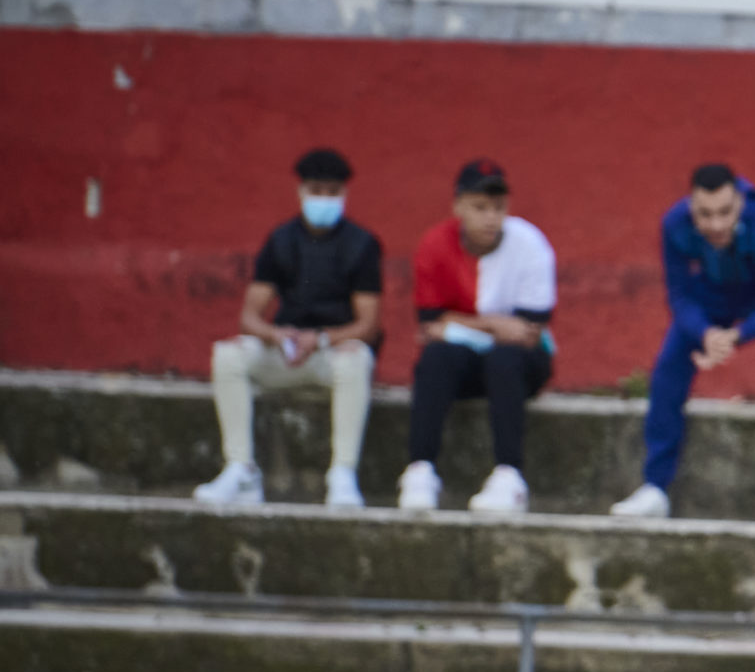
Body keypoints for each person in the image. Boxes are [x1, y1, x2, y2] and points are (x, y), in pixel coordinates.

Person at [611, 164, 755, 526]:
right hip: (712, 295)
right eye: (705, 214)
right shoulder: (674, 225)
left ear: (740, 203)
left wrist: (737, 335)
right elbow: (679, 295)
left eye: (725, 213)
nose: (715, 224)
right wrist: (704, 333)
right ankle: (654, 488)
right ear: (691, 205)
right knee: (667, 371)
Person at [193, 147, 383, 508]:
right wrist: (275, 335)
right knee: (228, 355)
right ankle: (241, 469)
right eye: (316, 190)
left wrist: (324, 338)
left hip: (331, 353)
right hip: (285, 350)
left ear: (344, 194)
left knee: (357, 359)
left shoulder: (361, 246)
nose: (323, 199)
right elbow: (249, 317)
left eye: (332, 191)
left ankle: (342, 473)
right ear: (300, 192)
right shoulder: (281, 241)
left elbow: (369, 324)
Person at [399, 159, 557, 515]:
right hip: (465, 360)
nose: (490, 217)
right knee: (436, 358)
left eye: (498, 208)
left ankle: (509, 477)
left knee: (504, 359)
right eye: (479, 207)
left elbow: (529, 334)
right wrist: (494, 325)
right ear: (458, 207)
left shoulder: (531, 245)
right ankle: (420, 470)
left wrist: (460, 324)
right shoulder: (434, 245)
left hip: (523, 363)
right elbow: (428, 328)